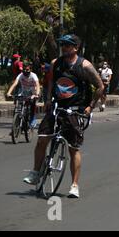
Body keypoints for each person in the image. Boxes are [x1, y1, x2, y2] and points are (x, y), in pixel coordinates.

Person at [22, 34, 104, 198]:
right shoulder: (56, 63)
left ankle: (74, 185)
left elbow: (100, 86)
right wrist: (48, 100)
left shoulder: (85, 65)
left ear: (76, 48)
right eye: (62, 45)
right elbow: (51, 81)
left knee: (73, 148)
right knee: (42, 138)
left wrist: (90, 106)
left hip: (75, 109)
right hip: (56, 106)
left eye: (67, 45)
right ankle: (36, 172)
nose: (64, 48)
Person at [7, 61, 40, 128]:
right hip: (23, 92)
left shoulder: (33, 75)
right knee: (17, 106)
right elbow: (15, 84)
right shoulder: (20, 75)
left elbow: (37, 85)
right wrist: (9, 92)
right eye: (24, 69)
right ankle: (15, 124)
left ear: (30, 70)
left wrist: (37, 93)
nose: (25, 71)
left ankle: (32, 119)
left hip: (32, 92)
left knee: (32, 104)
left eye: (27, 69)